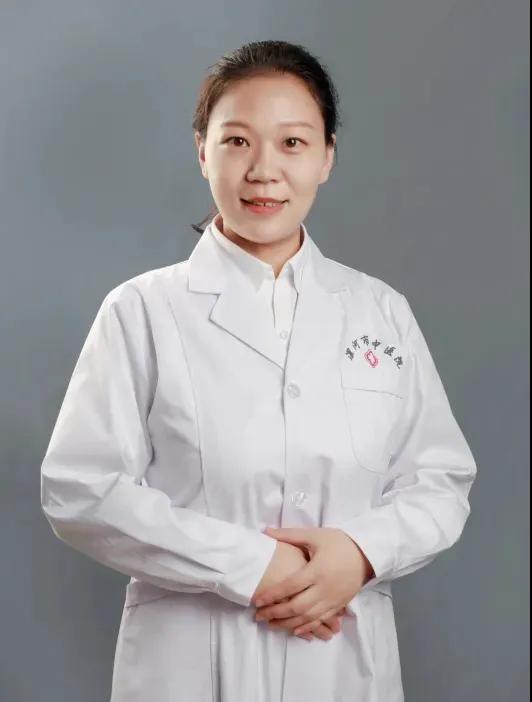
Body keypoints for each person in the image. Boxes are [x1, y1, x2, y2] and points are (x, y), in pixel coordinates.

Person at [40, 39, 477, 702]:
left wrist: (360, 554)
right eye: (238, 141)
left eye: (292, 143)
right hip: (189, 659)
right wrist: (250, 565)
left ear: (327, 156)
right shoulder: (143, 311)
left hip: (342, 660)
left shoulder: (380, 311)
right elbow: (81, 488)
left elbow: (440, 481)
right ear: (202, 151)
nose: (264, 171)